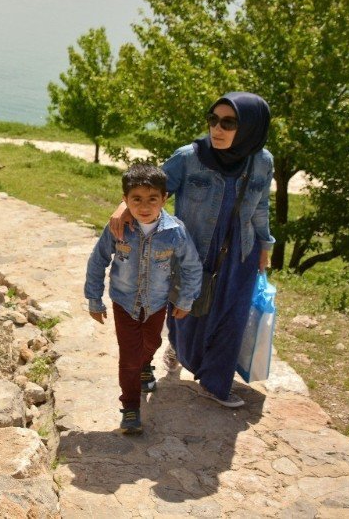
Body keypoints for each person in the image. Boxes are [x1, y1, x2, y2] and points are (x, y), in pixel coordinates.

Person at [110, 92, 274, 409]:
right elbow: (153, 188)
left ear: (250, 128)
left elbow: (260, 207)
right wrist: (123, 208)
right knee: (188, 314)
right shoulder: (189, 157)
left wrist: (265, 245)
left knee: (231, 318)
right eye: (213, 120)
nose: (217, 129)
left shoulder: (262, 161)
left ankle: (216, 382)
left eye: (229, 122)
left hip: (241, 252)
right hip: (192, 252)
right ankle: (181, 350)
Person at [87, 163, 202, 434]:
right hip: (124, 302)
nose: (145, 206)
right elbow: (97, 261)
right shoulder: (118, 229)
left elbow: (191, 266)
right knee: (128, 356)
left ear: (164, 199)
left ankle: (145, 365)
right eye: (136, 199)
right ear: (125, 200)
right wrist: (94, 298)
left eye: (153, 199)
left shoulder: (175, 231)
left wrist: (186, 300)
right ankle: (130, 408)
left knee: (152, 341)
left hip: (157, 302)